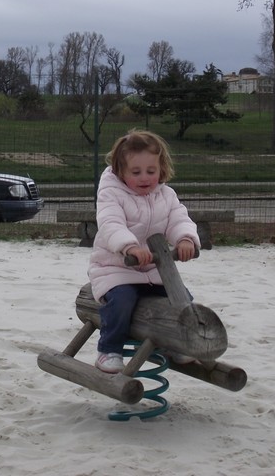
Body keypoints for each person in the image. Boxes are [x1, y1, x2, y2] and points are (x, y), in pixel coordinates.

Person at [88, 129, 200, 374]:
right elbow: (111, 224)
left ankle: (176, 342)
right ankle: (109, 350)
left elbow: (178, 218)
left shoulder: (166, 195)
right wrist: (130, 247)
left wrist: (185, 239)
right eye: (135, 172)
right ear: (121, 171)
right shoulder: (111, 194)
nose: (144, 178)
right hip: (116, 269)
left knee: (183, 298)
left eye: (151, 171)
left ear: (162, 169)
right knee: (121, 301)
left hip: (155, 269)